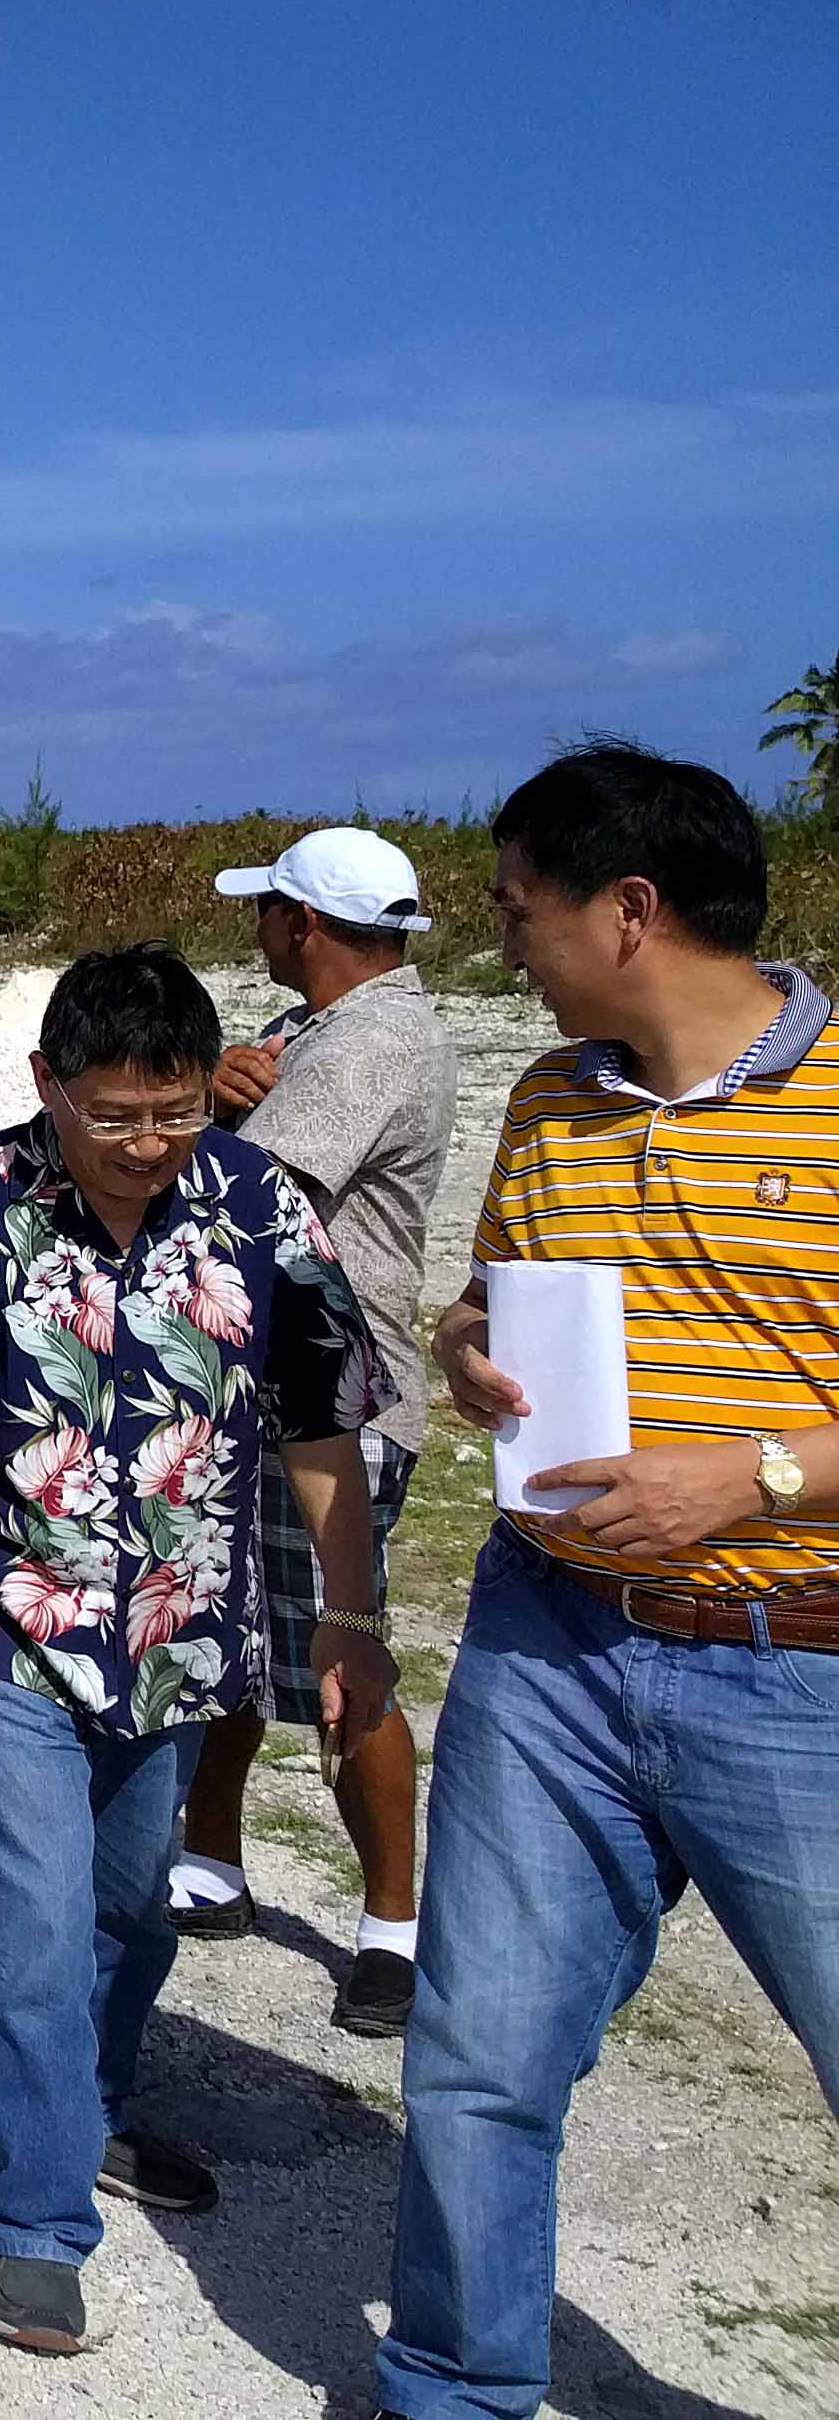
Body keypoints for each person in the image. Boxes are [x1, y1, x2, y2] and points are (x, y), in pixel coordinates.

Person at [0, 943, 387, 2361]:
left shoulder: (260, 1206)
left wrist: (354, 1615)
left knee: (136, 1913)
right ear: (47, 1086)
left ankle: (99, 2105)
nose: (146, 1145)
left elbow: (325, 1420)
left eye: (176, 1111)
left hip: (182, 1638)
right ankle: (34, 2217)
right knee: (36, 1926)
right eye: (116, 1114)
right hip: (7, 1633)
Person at [375, 744, 839, 2420]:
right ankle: (449, 2383)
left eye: (519, 910)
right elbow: (486, 1298)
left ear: (626, 909)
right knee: (477, 2053)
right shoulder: (549, 1098)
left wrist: (755, 1475)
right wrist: (468, 1344)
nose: (506, 947)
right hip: (547, 1632)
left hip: (797, 1661)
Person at [166, 827, 456, 2040]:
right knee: (236, 1633)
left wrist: (198, 1110)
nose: (258, 930)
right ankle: (214, 1856)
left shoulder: (372, 1040)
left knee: (344, 1657)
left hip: (333, 1402)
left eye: (270, 912)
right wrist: (231, 1082)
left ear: (309, 925)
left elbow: (242, 1192)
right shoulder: (341, 1030)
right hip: (282, 1391)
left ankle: (392, 1923)